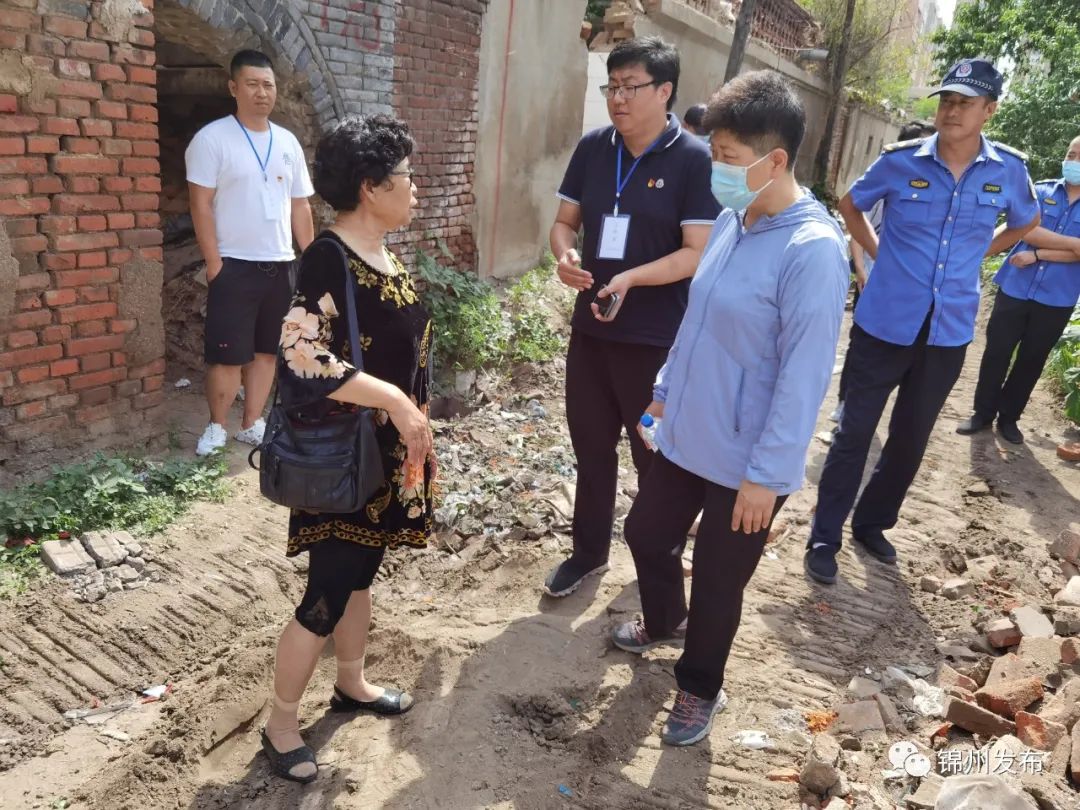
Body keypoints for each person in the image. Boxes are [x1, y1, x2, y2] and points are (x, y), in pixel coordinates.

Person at [611, 70, 848, 746]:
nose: (715, 167)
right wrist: (664, 390)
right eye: (713, 152)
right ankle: (665, 619)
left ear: (775, 160)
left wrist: (766, 477)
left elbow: (804, 378)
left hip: (747, 457)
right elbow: (696, 321)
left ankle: (698, 687)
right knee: (646, 533)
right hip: (690, 428)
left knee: (719, 582)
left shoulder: (812, 251)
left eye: (727, 157)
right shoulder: (730, 222)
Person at [805, 59, 1043, 585]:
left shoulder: (1007, 170)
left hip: (947, 331)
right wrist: (879, 251)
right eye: (947, 101)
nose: (952, 111)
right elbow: (850, 204)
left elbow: (1027, 220)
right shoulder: (899, 161)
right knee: (853, 432)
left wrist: (982, 251)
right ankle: (824, 536)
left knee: (910, 438)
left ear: (989, 110)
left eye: (965, 103)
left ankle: (872, 523)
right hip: (884, 323)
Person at [260, 114, 436, 783]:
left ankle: (351, 682)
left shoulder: (385, 254)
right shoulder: (329, 258)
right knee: (326, 593)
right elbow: (300, 354)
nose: (415, 188)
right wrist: (393, 400)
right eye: (406, 177)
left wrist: (416, 419)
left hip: (385, 457)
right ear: (371, 187)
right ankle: (281, 723)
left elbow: (409, 352)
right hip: (341, 457)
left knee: (362, 573)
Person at [544, 36, 720, 598]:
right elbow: (564, 223)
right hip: (592, 330)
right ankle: (588, 554)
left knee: (654, 459)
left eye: (630, 87)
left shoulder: (693, 160)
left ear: (664, 91)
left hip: (654, 341)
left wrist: (632, 278)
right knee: (592, 449)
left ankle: (658, 577)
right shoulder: (595, 148)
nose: (617, 98)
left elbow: (696, 253)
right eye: (612, 86)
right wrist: (565, 256)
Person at [186, 50, 315, 457]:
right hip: (233, 265)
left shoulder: (288, 142)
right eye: (253, 84)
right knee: (226, 354)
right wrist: (214, 263)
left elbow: (300, 205)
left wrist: (310, 257)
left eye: (268, 85)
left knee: (265, 352)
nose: (262, 92)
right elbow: (200, 204)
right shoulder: (212, 139)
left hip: (281, 264)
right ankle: (216, 426)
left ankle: (251, 423)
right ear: (234, 88)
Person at [956, 135, 1080, 444]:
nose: (1073, 161)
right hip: (1016, 285)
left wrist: (1039, 254)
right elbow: (1024, 229)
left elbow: (1039, 237)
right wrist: (1073, 245)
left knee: (1031, 359)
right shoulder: (1040, 190)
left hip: (1058, 296)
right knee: (996, 351)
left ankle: (1009, 418)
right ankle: (982, 413)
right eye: (1071, 154)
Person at [834, 123, 937, 425]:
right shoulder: (883, 182)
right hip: (873, 276)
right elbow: (856, 226)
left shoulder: (932, 190)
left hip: (906, 285)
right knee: (860, 341)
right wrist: (861, 271)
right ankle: (845, 403)